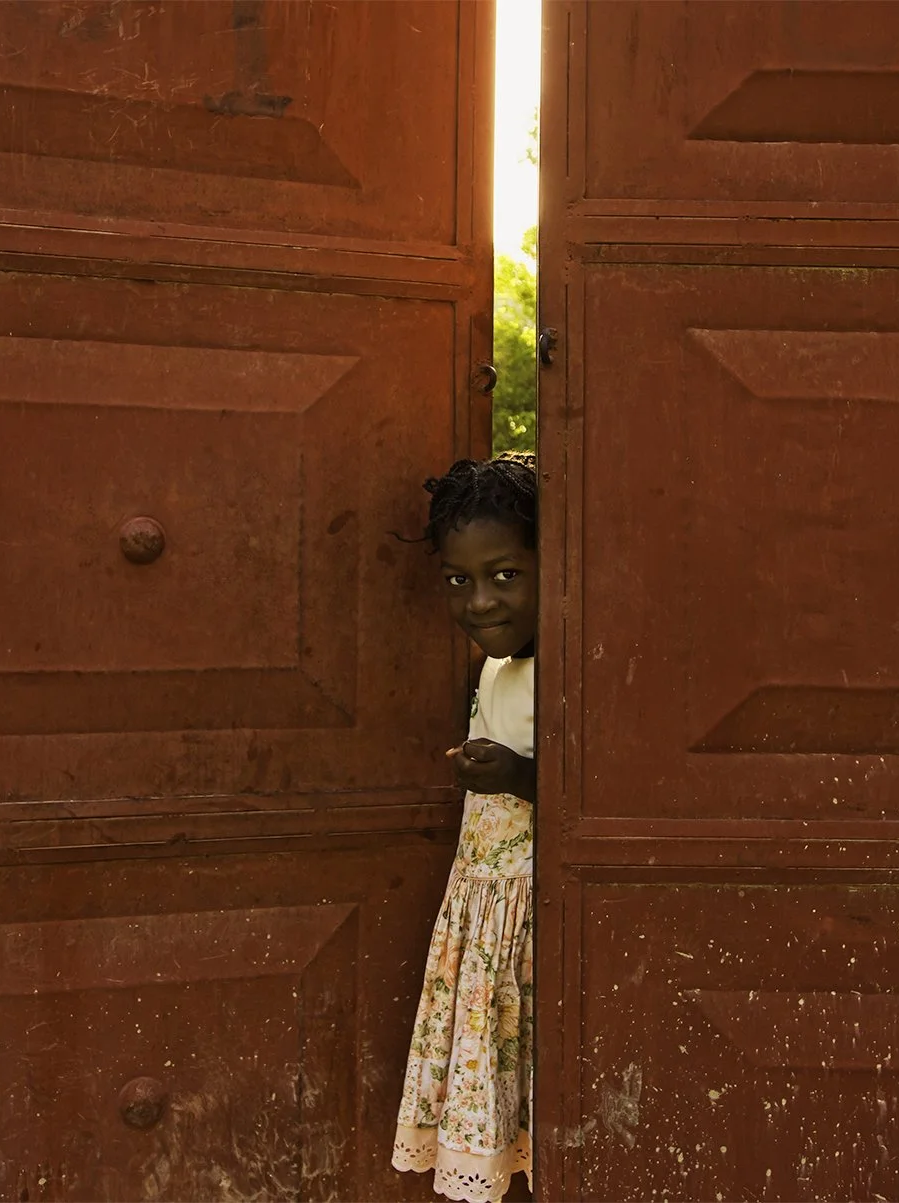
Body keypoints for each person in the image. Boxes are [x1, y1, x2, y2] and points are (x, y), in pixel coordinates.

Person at [391, 454, 539, 1203]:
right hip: (482, 915)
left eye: (505, 575)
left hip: (532, 928)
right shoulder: (492, 666)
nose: (481, 601)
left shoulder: (568, 669)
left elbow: (595, 789)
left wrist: (517, 773)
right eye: (459, 580)